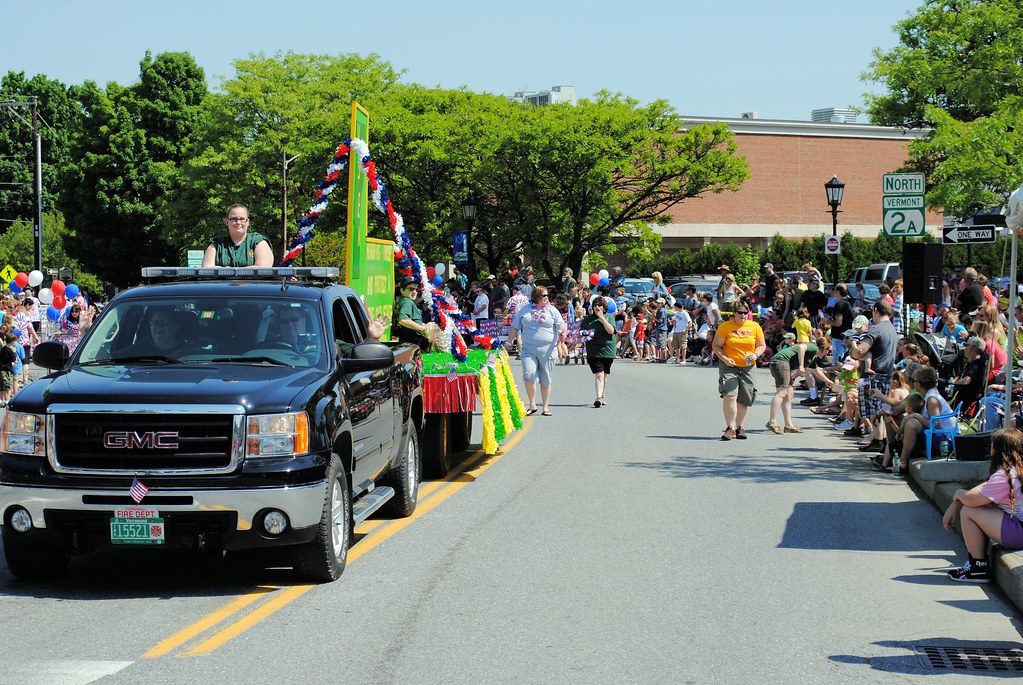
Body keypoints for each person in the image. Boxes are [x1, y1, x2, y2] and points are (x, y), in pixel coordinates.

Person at [942, 428, 1023, 583]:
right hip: (1019, 528)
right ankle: (977, 566)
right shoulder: (1016, 470)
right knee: (977, 506)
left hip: (1019, 534)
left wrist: (958, 494)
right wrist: (957, 502)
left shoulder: (1005, 475)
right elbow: (981, 490)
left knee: (969, 511)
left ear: (997, 450)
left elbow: (972, 500)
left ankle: (978, 568)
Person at [712, 297, 766, 440]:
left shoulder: (754, 327)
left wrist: (756, 354)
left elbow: (762, 345)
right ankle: (730, 428)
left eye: (745, 312)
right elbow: (716, 345)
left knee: (743, 399)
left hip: (748, 367)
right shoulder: (726, 326)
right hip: (729, 366)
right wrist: (724, 358)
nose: (743, 315)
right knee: (730, 395)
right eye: (740, 312)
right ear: (734, 313)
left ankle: (740, 427)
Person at [507, 286, 566, 417]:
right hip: (528, 349)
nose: (547, 298)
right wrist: (508, 341)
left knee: (545, 379)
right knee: (529, 375)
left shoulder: (552, 310)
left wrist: (563, 330)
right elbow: (515, 326)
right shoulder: (525, 309)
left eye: (547, 295)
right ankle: (532, 404)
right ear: (537, 296)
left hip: (547, 350)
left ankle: (545, 407)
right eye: (544, 295)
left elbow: (561, 324)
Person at [766, 333, 815, 434]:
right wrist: (801, 366)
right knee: (782, 392)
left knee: (789, 394)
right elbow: (801, 347)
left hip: (779, 362)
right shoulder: (814, 347)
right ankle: (772, 421)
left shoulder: (813, 358)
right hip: (781, 362)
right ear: (825, 348)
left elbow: (816, 370)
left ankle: (788, 425)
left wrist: (828, 382)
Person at [203, 204, 274, 268]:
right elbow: (207, 269)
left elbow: (263, 268)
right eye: (234, 219)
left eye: (242, 219)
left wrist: (228, 272)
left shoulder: (258, 241)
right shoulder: (216, 244)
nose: (238, 222)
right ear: (227, 222)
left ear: (248, 222)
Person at [580, 298, 617, 407]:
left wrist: (602, 318)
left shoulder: (609, 317)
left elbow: (611, 331)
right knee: (599, 374)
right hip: (593, 351)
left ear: (604, 308)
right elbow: (581, 333)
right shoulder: (587, 319)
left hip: (607, 350)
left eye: (600, 305)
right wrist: (583, 334)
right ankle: (598, 397)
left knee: (604, 375)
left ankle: (602, 395)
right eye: (595, 305)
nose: (597, 307)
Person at [394, 276, 429, 347]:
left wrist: (422, 324)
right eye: (411, 289)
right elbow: (403, 320)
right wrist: (423, 329)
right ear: (402, 290)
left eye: (416, 289)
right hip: (412, 341)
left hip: (410, 342)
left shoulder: (405, 301)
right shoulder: (407, 302)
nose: (414, 292)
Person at [669, 300, 693, 364]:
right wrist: (672, 321)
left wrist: (686, 329)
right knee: (677, 346)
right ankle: (677, 359)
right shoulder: (677, 313)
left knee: (683, 346)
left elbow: (690, 322)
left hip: (682, 331)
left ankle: (683, 359)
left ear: (678, 307)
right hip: (676, 330)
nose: (674, 308)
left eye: (675, 307)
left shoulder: (684, 313)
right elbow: (674, 320)